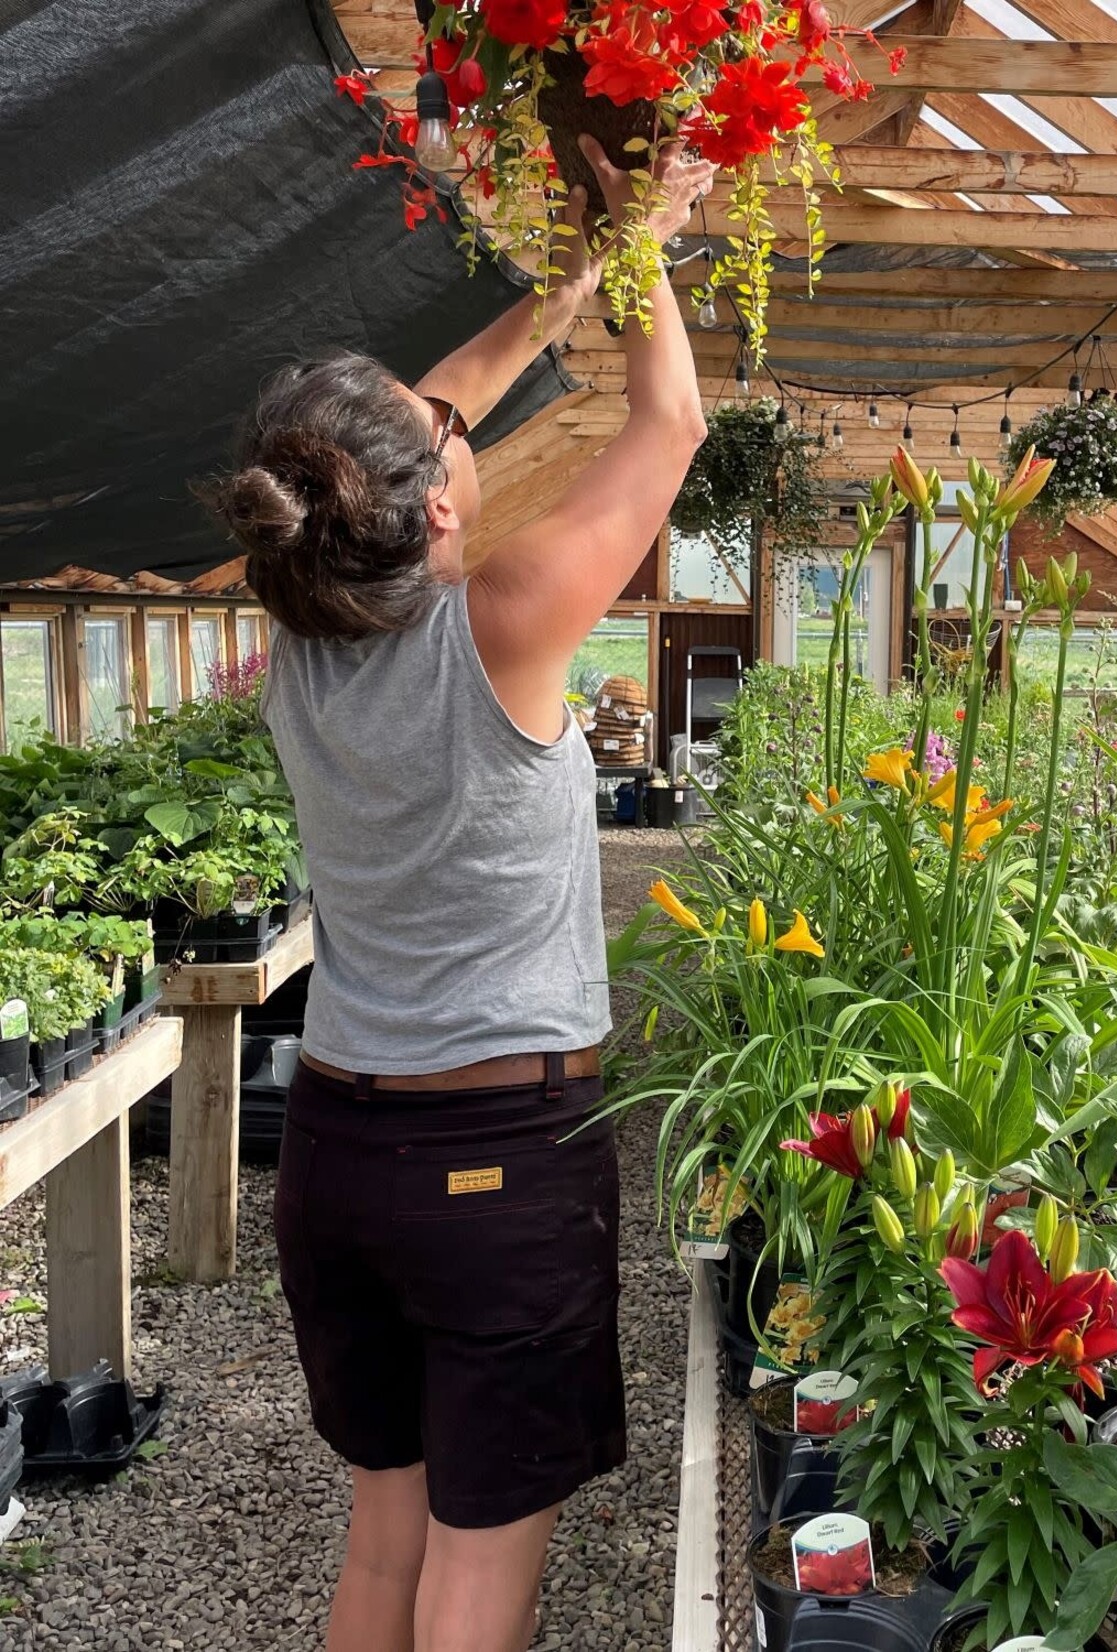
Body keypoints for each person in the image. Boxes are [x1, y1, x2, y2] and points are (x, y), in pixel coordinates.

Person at [202, 138, 714, 1652]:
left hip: (342, 1152)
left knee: (384, 1549)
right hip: (492, 1161)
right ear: (429, 513)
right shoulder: (497, 622)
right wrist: (641, 240)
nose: (463, 443)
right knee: (480, 1576)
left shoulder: (301, 618)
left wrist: (573, 285)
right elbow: (672, 418)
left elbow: (409, 431)